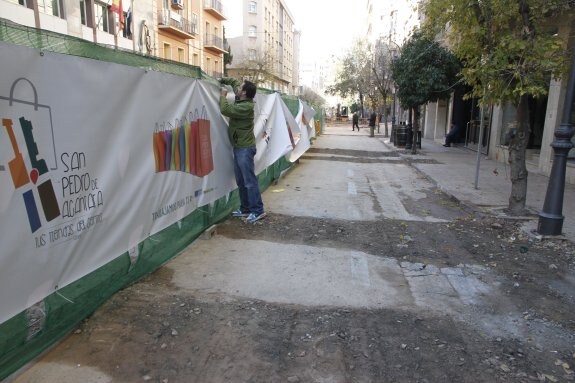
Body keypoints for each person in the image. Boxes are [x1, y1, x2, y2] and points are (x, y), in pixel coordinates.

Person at [219, 81, 266, 223]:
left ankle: (258, 211)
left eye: (240, 88)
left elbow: (225, 110)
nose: (237, 89)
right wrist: (224, 78)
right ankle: (245, 209)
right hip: (240, 147)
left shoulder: (246, 107)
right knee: (241, 181)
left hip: (245, 149)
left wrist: (222, 96)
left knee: (249, 181)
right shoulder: (243, 100)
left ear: (244, 93)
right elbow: (234, 84)